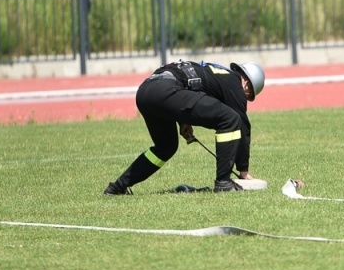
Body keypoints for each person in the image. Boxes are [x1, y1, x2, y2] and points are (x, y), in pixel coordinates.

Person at [104, 60, 265, 195]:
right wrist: (243, 171)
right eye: (249, 94)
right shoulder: (234, 83)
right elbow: (242, 126)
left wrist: (183, 122)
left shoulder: (214, 72)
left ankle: (117, 188)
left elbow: (188, 85)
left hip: (146, 91)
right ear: (246, 83)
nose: (245, 97)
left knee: (166, 147)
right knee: (230, 119)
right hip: (167, 89)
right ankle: (223, 183)